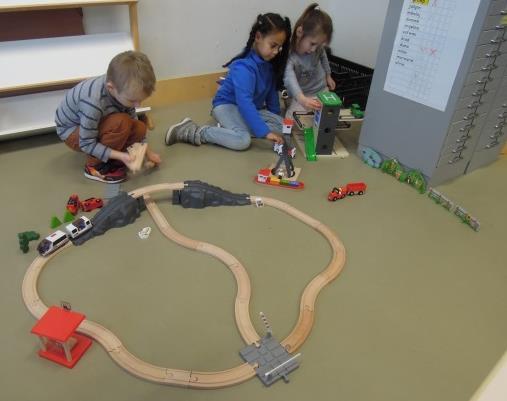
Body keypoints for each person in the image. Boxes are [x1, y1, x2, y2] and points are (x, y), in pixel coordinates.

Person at [165, 13, 291, 151]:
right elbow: (244, 103)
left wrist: (276, 119)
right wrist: (265, 132)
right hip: (226, 106)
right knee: (242, 140)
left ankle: (231, 127)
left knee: (283, 126)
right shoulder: (244, 68)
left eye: (279, 47)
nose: (275, 52)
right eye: (273, 45)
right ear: (258, 37)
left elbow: (271, 96)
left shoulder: (269, 65)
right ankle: (195, 131)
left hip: (248, 109)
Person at [55, 50, 161, 183]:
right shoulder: (93, 101)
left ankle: (111, 157)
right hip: (73, 132)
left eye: (140, 100)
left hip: (96, 123)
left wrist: (147, 151)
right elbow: (86, 143)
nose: (138, 105)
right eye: (132, 100)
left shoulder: (122, 89)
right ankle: (94, 166)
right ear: (111, 88)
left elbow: (133, 120)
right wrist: (121, 156)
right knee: (121, 123)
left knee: (139, 127)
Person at [283, 3, 335, 119]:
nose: (314, 50)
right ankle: (291, 103)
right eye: (312, 44)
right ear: (300, 32)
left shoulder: (317, 48)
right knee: (293, 117)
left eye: (319, 45)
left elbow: (323, 54)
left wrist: (328, 75)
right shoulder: (291, 56)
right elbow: (289, 78)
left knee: (330, 115)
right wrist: (302, 99)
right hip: (302, 94)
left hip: (321, 90)